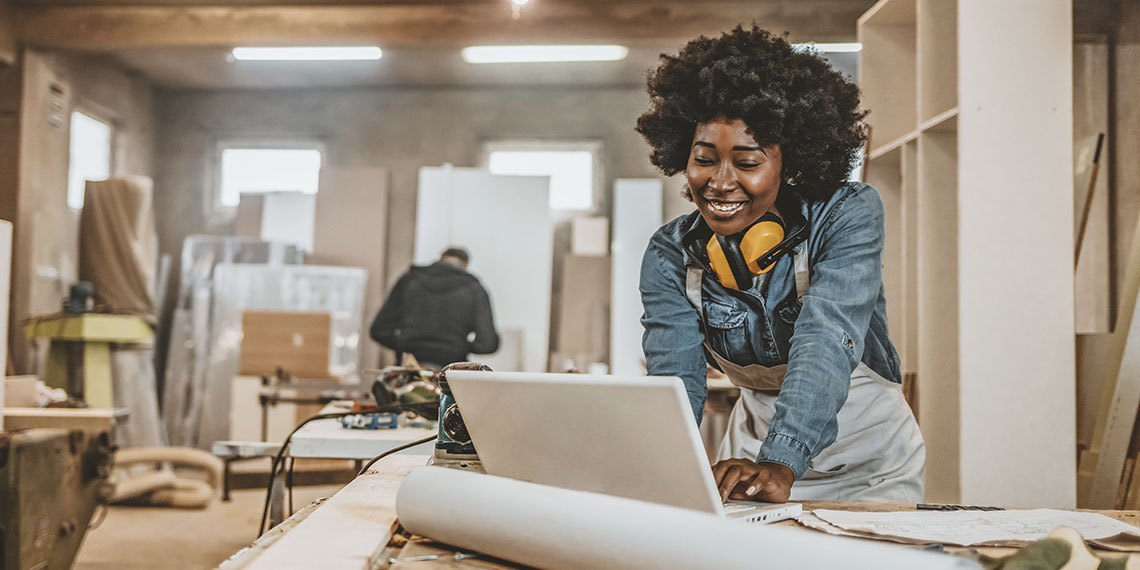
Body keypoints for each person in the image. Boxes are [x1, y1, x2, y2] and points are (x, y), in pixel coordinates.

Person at [636, 26, 925, 504]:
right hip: (753, 455)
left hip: (867, 462)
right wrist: (666, 470)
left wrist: (782, 460)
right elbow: (675, 375)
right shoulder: (671, 252)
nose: (720, 183)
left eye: (747, 162)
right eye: (704, 159)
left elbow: (827, 336)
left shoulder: (847, 213)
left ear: (788, 163)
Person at [370, 247, 500, 371]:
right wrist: (459, 346)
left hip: (409, 366)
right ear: (465, 265)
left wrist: (405, 344)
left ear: (440, 259)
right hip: (450, 370)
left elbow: (379, 330)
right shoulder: (474, 289)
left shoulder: (410, 280)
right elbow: (487, 343)